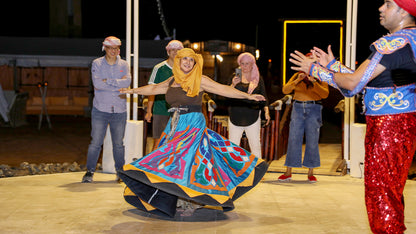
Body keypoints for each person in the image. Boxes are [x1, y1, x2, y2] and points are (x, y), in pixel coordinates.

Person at [289, 0, 416, 232]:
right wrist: (334, 66)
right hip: (404, 124)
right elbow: (368, 82)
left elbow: (353, 85)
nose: (380, 8)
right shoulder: (411, 40)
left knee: (381, 193)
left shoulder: (392, 43)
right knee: (391, 190)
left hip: (387, 127)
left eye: (388, 4)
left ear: (403, 10)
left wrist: (314, 70)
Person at [118, 48, 268, 218]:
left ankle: (191, 201)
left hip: (193, 124)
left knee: (189, 162)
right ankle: (174, 199)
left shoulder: (200, 79)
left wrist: (248, 97)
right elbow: (153, 89)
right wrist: (131, 91)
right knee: (172, 163)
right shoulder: (171, 81)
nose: (188, 62)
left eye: (191, 60)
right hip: (175, 123)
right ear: (178, 61)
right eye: (185, 59)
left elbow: (224, 89)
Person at [82, 36, 132, 183]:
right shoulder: (96, 63)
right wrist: (117, 83)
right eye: (110, 48)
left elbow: (127, 82)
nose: (113, 51)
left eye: (116, 48)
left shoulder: (124, 64)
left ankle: (120, 172)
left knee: (118, 144)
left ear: (119, 50)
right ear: (105, 48)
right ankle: (89, 172)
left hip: (119, 110)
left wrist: (108, 81)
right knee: (96, 142)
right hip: (100, 109)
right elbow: (97, 84)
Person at [278, 69, 329, 183]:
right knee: (293, 138)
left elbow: (325, 94)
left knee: (312, 139)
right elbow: (285, 90)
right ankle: (288, 172)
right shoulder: (297, 75)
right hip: (298, 107)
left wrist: (314, 82)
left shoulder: (320, 76)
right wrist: (297, 80)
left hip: (314, 107)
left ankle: (310, 173)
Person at [228, 52, 270, 158]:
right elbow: (226, 94)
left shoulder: (257, 79)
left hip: (253, 115)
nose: (244, 66)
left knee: (255, 145)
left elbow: (263, 96)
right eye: (242, 63)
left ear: (252, 64)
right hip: (235, 115)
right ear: (239, 64)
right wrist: (232, 85)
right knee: (232, 146)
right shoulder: (234, 77)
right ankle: (232, 171)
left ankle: (257, 171)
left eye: (247, 63)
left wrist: (267, 112)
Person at [146, 40, 184, 150]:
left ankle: (171, 166)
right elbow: (151, 90)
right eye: (173, 50)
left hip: (180, 111)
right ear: (168, 52)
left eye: (178, 50)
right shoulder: (159, 68)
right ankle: (152, 165)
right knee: (159, 141)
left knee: (177, 142)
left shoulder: (185, 69)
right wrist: (149, 111)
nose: (175, 52)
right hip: (161, 110)